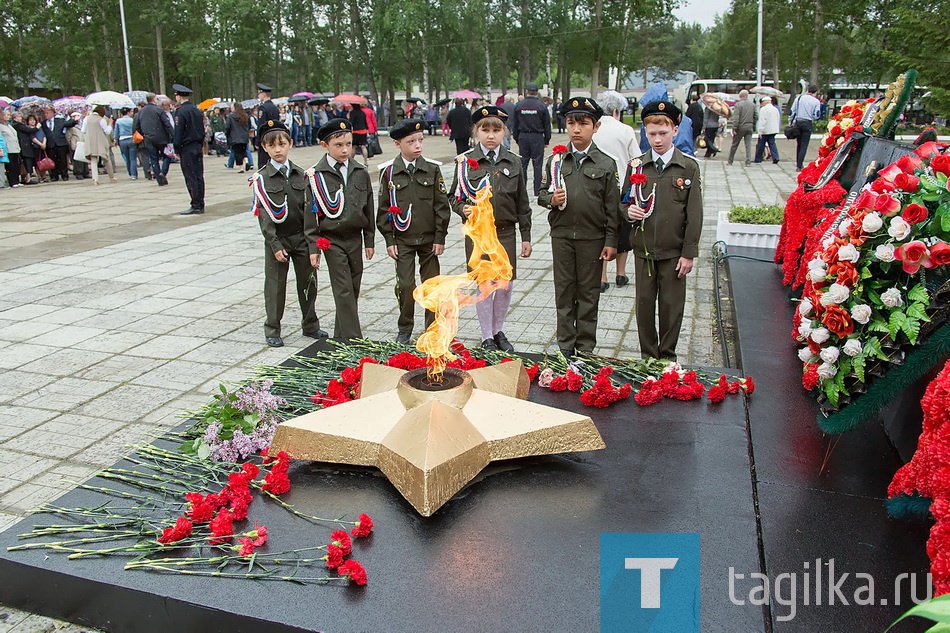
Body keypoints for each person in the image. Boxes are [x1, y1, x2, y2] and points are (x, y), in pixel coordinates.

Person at [537, 97, 621, 357]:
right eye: (571, 122)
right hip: (561, 236)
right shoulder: (556, 161)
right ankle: (565, 345)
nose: (576, 129)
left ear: (595, 127)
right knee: (564, 291)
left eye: (583, 123)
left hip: (592, 238)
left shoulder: (606, 164)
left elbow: (612, 208)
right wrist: (551, 199)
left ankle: (585, 347)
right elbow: (541, 193)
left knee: (588, 294)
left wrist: (611, 241)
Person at [624, 101, 703, 361]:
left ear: (675, 131)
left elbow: (694, 213)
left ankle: (667, 356)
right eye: (652, 134)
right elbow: (622, 201)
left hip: (673, 252)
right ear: (644, 133)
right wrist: (628, 211)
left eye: (663, 134)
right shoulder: (636, 166)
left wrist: (689, 252)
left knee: (671, 307)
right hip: (644, 250)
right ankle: (648, 356)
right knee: (645, 307)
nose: (657, 140)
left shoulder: (687, 167)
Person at [449, 105, 532, 352]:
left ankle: (498, 331)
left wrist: (525, 236)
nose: (491, 135)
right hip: (478, 235)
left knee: (505, 286)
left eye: (496, 129)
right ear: (476, 132)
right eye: (485, 129)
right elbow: (454, 196)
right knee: (484, 286)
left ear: (504, 132)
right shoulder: (466, 162)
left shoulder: (514, 162)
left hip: (505, 233)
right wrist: (461, 208)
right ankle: (487, 336)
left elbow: (523, 202)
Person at [376, 118, 451, 344]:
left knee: (432, 285)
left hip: (429, 239)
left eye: (420, 140)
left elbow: (441, 205)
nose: (417, 145)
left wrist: (440, 236)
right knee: (406, 285)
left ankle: (432, 328)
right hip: (403, 240)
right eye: (411, 141)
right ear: (397, 144)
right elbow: (382, 209)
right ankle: (405, 327)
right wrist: (389, 239)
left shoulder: (432, 169)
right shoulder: (389, 173)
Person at [252, 119, 326, 347]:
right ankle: (273, 328)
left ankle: (310, 324)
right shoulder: (261, 179)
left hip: (301, 238)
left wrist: (313, 244)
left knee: (308, 283)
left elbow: (311, 212)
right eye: (272, 146)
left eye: (282, 144)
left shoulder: (302, 175)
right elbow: (264, 217)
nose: (277, 150)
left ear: (290, 144)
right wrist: (274, 245)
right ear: (264, 148)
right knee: (275, 286)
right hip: (278, 240)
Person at [307, 118, 376, 339]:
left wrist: (370, 240)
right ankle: (355, 340)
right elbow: (310, 214)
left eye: (349, 143)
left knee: (353, 287)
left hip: (355, 237)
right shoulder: (316, 175)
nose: (345, 149)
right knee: (343, 289)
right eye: (339, 145)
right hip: (331, 239)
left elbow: (369, 207)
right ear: (324, 145)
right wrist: (313, 247)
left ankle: (340, 335)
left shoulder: (359, 171)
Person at [593, 90, 639, 294]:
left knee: (603, 230)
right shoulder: (626, 130)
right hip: (622, 187)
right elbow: (636, 159)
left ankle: (602, 276)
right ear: (615, 111)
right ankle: (621, 273)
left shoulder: (594, 129)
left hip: (597, 187)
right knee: (623, 231)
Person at [172, 84, 206, 215]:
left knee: (190, 176)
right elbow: (201, 130)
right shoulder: (196, 110)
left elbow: (178, 132)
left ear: (179, 96)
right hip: (197, 145)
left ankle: (195, 204)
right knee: (198, 176)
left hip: (186, 147)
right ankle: (200, 202)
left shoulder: (181, 112)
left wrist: (176, 148)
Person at [512, 83, 551, 195]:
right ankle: (537, 190)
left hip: (523, 136)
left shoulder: (519, 106)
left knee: (523, 164)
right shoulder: (541, 106)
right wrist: (546, 140)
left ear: (526, 92)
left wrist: (517, 138)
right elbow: (547, 125)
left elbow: (515, 124)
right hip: (537, 137)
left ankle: (522, 189)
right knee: (538, 164)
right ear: (536, 92)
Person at [133, 93, 173, 185]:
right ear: (154, 100)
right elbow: (166, 124)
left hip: (148, 138)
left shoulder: (141, 112)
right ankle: (163, 172)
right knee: (167, 156)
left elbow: (136, 127)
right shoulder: (159, 110)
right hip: (161, 137)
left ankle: (159, 179)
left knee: (153, 158)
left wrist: (143, 134)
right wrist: (173, 135)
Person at [41, 106, 78, 182]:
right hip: (50, 144)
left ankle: (64, 175)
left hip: (60, 143)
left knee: (62, 160)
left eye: (47, 113)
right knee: (52, 160)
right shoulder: (43, 123)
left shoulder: (59, 120)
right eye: (45, 113)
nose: (46, 115)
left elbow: (69, 123)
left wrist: (75, 120)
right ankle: (54, 175)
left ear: (52, 113)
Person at [790, 84, 821, 171]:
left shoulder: (799, 98)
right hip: (807, 123)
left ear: (808, 90)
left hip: (798, 122)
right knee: (804, 144)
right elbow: (816, 115)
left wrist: (790, 121)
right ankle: (800, 165)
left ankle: (798, 163)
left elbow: (793, 110)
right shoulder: (816, 101)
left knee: (799, 144)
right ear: (815, 92)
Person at [82, 106, 116, 185]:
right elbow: (107, 131)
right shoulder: (101, 120)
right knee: (106, 159)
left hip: (91, 141)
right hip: (101, 141)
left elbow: (83, 130)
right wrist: (110, 124)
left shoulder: (86, 119)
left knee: (93, 161)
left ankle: (95, 179)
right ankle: (111, 177)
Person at [727, 90, 757, 166]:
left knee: (735, 144)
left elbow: (736, 117)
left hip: (740, 127)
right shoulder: (752, 105)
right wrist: (753, 124)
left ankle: (730, 160)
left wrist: (734, 128)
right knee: (748, 145)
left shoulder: (738, 105)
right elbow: (756, 116)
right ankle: (748, 161)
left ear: (740, 96)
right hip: (749, 126)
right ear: (747, 96)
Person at [256, 82, 281, 167]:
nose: (258, 95)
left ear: (263, 94)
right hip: (274, 136)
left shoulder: (262, 108)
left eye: (259, 93)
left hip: (265, 138)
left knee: (263, 163)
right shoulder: (274, 108)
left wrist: (258, 141)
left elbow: (261, 125)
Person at [225, 102, 253, 171]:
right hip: (244, 136)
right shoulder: (245, 116)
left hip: (234, 137)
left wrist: (227, 134)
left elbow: (228, 127)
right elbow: (249, 125)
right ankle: (246, 161)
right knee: (243, 151)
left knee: (237, 153)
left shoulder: (230, 116)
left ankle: (241, 168)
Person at [753, 96, 781, 164]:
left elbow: (762, 120)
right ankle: (775, 157)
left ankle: (758, 158)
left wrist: (760, 131)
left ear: (764, 102)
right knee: (772, 143)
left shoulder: (763, 109)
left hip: (765, 130)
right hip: (773, 129)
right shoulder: (775, 109)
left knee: (761, 144)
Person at [0, 110, 23, 187]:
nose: (8, 116)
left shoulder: (10, 125)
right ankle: (12, 181)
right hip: (8, 148)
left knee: (16, 165)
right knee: (10, 166)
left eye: (9, 115)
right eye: (6, 115)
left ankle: (16, 180)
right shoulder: (1, 126)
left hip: (15, 147)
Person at [114, 108, 137, 179]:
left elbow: (116, 132)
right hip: (131, 138)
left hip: (122, 139)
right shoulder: (132, 120)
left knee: (127, 158)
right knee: (133, 158)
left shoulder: (118, 121)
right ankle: (134, 174)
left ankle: (130, 172)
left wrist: (116, 139)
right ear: (128, 112)